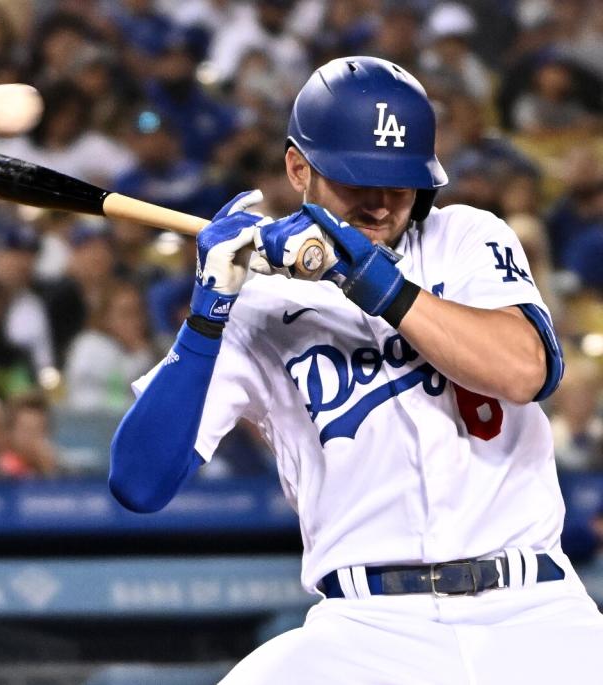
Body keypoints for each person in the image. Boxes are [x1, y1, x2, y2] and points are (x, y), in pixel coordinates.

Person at [110, 56, 603, 683]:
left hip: (534, 612)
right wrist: (208, 317)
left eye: (396, 185)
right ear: (298, 168)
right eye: (356, 182)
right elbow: (138, 482)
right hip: (368, 630)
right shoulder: (254, 303)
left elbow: (524, 371)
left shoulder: (465, 238)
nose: (378, 204)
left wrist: (370, 279)